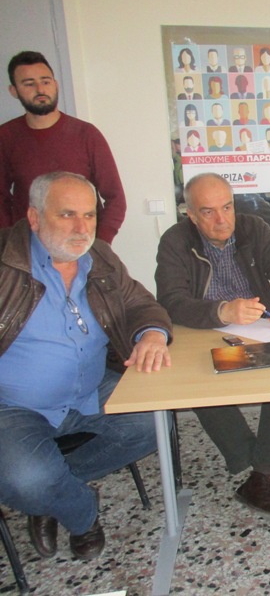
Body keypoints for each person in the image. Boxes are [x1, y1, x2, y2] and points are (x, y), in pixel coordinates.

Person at [0, 171, 171, 561]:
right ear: (34, 217)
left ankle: (53, 495)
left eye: (89, 215)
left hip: (91, 389)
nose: (82, 228)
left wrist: (152, 333)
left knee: (155, 424)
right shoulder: (5, 262)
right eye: (67, 215)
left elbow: (141, 303)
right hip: (14, 405)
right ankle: (80, 513)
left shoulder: (100, 258)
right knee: (25, 478)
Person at [155, 173, 270, 525]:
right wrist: (222, 311)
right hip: (202, 330)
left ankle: (261, 474)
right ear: (191, 215)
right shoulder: (175, 241)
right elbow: (171, 300)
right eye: (208, 212)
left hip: (258, 328)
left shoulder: (254, 228)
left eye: (227, 208)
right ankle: (266, 469)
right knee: (195, 383)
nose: (222, 219)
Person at [0, 51, 126, 243]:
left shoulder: (86, 134)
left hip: (81, 245)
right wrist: (9, 241)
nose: (40, 89)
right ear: (14, 91)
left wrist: (100, 244)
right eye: (29, 84)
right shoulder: (6, 136)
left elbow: (115, 198)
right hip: (28, 247)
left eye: (45, 81)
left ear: (55, 84)